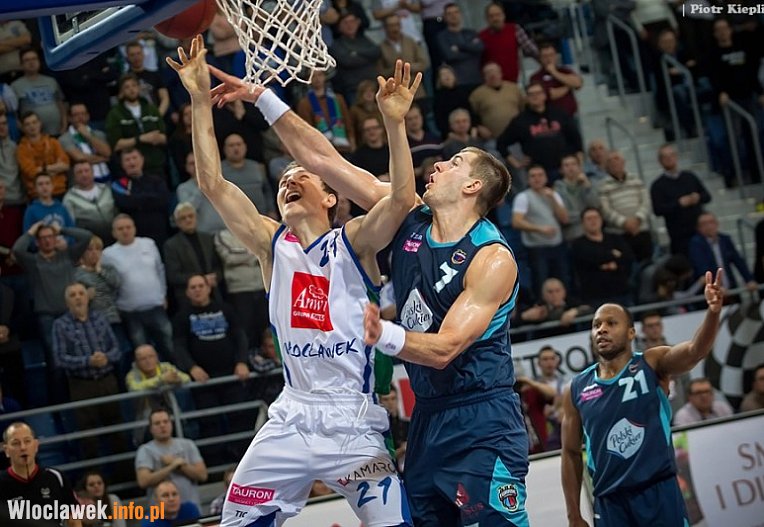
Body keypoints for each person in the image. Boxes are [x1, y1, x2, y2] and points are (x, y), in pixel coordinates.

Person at [210, 43, 529, 527]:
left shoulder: (492, 258)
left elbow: (446, 348)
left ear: (472, 187)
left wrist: (384, 334)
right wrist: (262, 97)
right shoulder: (410, 218)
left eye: (454, 163)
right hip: (428, 416)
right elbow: (320, 158)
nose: (438, 165)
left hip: (482, 415)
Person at [170, 37, 416, 526]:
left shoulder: (355, 242)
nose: (288, 180)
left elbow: (401, 200)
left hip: (354, 423)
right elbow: (212, 184)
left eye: (300, 175)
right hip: (291, 418)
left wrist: (395, 125)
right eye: (283, 178)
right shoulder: (271, 245)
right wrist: (198, 99)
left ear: (330, 198)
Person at [560, 269, 724, 527]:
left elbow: (695, 351)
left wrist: (713, 313)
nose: (602, 330)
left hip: (658, 492)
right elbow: (570, 453)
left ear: (631, 333)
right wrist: (573, 514)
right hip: (609, 502)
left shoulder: (652, 362)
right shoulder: (577, 387)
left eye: (611, 323)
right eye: (596, 325)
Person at [0, 422, 82, 527]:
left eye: (27, 441)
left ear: (36, 445)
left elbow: (74, 520)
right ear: (6, 450)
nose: (23, 447)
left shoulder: (55, 477)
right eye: (16, 443)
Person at [135, 408, 208, 509]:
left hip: (190, 508)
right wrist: (172, 466)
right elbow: (143, 481)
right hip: (160, 512)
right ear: (151, 429)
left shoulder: (188, 445)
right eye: (157, 423)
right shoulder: (145, 450)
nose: (162, 426)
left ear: (171, 424)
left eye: (165, 421)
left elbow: (202, 475)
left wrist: (181, 466)